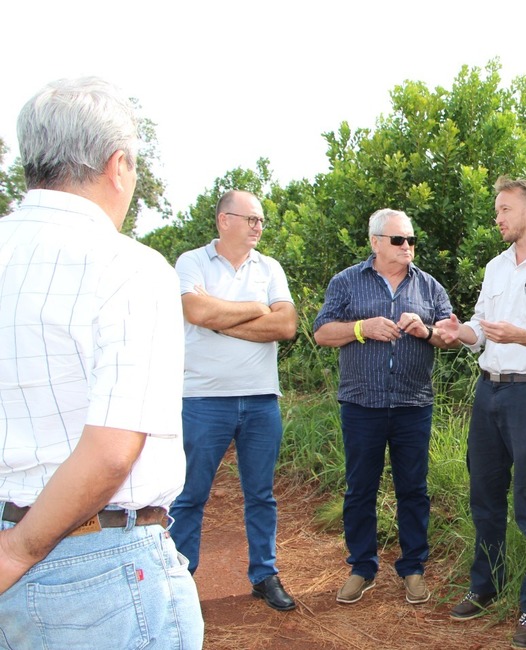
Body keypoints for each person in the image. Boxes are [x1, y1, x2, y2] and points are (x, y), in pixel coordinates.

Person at [0, 77, 203, 646]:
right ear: (118, 165)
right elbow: (113, 450)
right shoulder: (128, 268)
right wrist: (18, 550)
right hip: (100, 570)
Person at [435, 177, 526, 649]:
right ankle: (485, 585)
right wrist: (458, 332)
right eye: (497, 210)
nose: (497, 217)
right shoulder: (495, 267)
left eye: (504, 209)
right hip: (489, 394)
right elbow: (481, 328)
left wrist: (520, 335)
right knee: (484, 495)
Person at [314, 209, 455, 606]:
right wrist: (362, 328)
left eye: (411, 240)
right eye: (398, 241)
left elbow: (452, 336)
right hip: (362, 404)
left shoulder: (429, 287)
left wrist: (426, 330)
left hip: (413, 405)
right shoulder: (346, 283)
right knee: (360, 489)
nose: (407, 247)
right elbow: (322, 332)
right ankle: (362, 567)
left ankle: (413, 568)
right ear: (376, 241)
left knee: (414, 489)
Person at [171, 189, 300, 611]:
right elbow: (197, 313)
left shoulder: (270, 267)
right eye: (251, 219)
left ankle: (264, 575)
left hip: (262, 400)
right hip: (204, 399)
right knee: (191, 493)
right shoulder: (191, 262)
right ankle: (180, 578)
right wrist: (253, 309)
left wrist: (223, 320)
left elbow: (285, 325)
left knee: (261, 494)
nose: (259, 226)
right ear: (224, 220)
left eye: (261, 220)